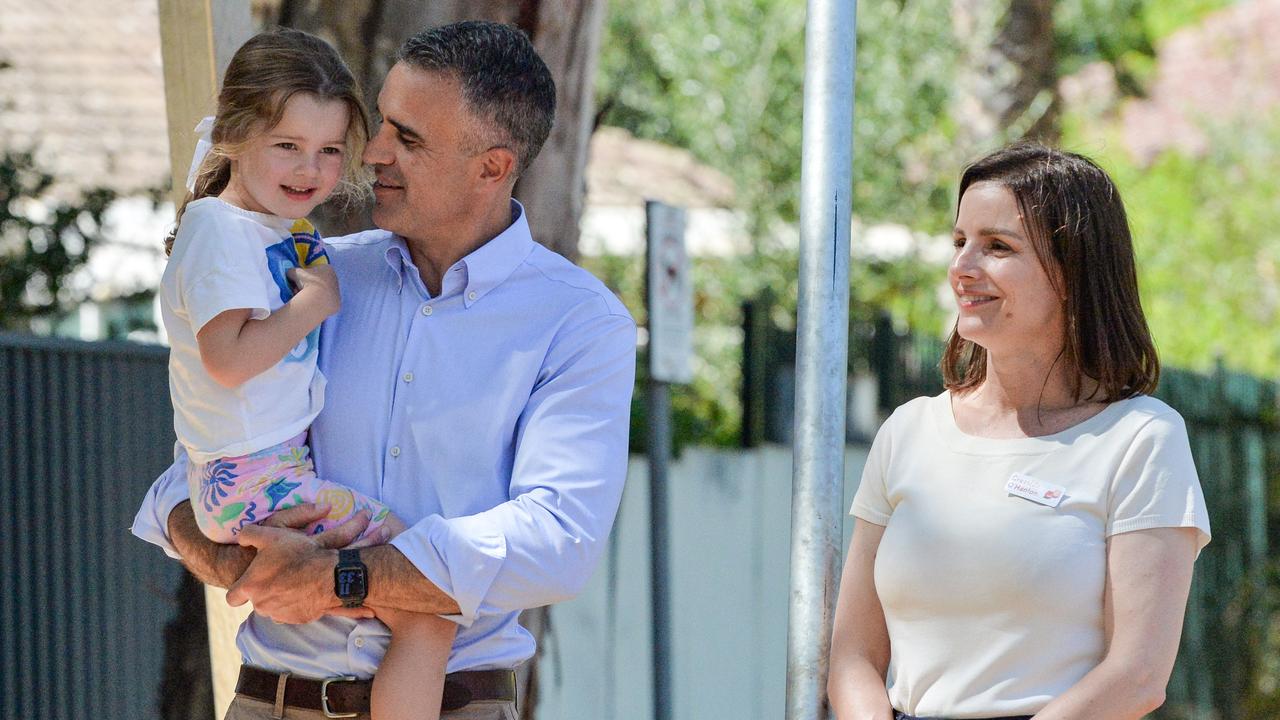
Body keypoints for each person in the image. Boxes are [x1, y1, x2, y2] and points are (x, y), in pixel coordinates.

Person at [133, 20, 637, 720]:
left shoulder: (581, 323)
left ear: (491, 167)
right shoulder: (315, 278)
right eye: (381, 128)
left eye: (407, 137)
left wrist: (341, 578)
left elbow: (558, 543)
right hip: (270, 699)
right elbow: (198, 463)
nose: (372, 153)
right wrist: (235, 564)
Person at [827, 142, 1211, 720]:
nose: (963, 266)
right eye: (960, 242)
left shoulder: (1141, 438)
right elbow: (852, 656)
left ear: (1073, 271)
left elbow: (1136, 677)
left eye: (998, 246)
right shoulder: (907, 431)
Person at [158, 27, 456, 720]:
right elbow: (228, 360)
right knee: (431, 597)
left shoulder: (266, 230)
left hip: (255, 479)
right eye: (287, 146)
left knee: (398, 608)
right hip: (260, 484)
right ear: (234, 136)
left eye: (328, 151)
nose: (310, 169)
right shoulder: (219, 231)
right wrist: (315, 304)